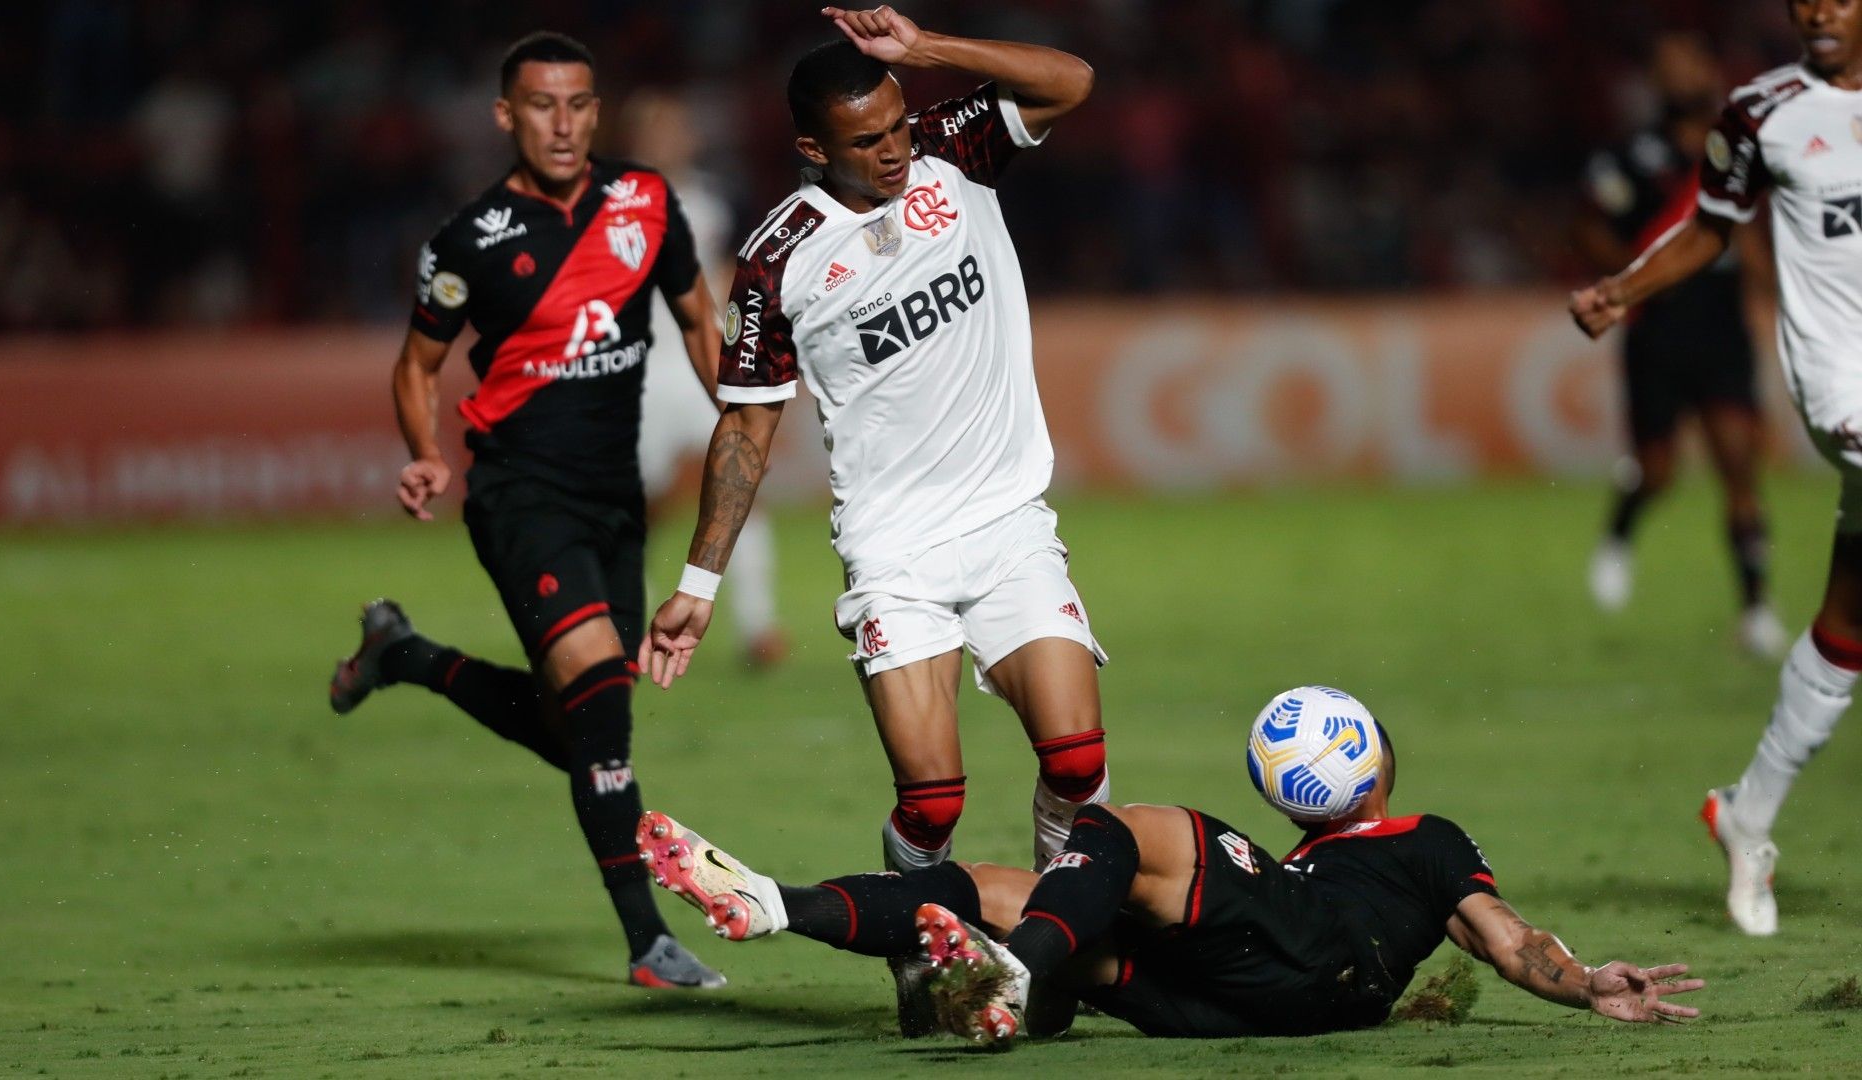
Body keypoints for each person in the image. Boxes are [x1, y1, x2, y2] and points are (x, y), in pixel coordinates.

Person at [644, 7, 1107, 877]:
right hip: (895, 551)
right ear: (814, 149)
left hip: (1007, 522)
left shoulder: (952, 151)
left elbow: (1071, 81)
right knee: (932, 808)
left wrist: (926, 49)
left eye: (897, 125)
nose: (893, 151)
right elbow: (746, 425)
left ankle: (1065, 924)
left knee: (1079, 763)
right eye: (866, 141)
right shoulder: (779, 260)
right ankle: (918, 945)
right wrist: (699, 585)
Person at [326, 31, 725, 988]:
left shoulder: (646, 202)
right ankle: (648, 945)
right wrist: (425, 453)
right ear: (506, 116)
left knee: (580, 727)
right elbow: (418, 363)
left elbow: (701, 319)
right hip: (518, 496)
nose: (562, 123)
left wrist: (740, 416)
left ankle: (404, 655)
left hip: (613, 501)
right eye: (541, 106)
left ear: (598, 110)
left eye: (579, 105)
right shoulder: (470, 241)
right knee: (600, 715)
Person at [634, 689, 1703, 1042]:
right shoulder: (1378, 854)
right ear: (1373, 758)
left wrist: (1579, 980)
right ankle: (775, 903)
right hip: (1244, 1002)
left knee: (1135, 829)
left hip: (1319, 963)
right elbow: (1509, 942)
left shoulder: (1417, 843)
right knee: (1005, 890)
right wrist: (1583, 980)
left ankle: (1019, 970)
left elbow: (1510, 945)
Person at [1571, 0, 1862, 937]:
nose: (1817, 8)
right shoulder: (1761, 112)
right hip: (1839, 381)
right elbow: (1710, 226)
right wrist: (1622, 288)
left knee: (1849, 620)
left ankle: (1749, 812)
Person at [1577, 32, 1786, 659]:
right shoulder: (1630, 158)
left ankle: (1755, 611)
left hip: (1721, 326)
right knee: (1661, 469)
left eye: (1692, 62)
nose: (1683, 75)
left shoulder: (1738, 152)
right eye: (1669, 67)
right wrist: (1629, 285)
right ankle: (1621, 527)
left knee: (1738, 466)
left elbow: (1745, 239)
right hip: (1658, 329)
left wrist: (1778, 304)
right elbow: (1592, 227)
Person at [623, 89, 791, 668]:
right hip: (640, 372)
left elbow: (728, 279)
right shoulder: (610, 204)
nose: (670, 142)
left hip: (704, 361)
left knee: (741, 487)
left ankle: (758, 626)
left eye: (677, 131)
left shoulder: (712, 201)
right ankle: (628, 627)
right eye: (658, 132)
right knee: (638, 505)